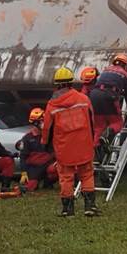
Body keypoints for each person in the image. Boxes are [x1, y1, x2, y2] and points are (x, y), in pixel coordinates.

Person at [42, 67, 99, 218]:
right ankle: (90, 207)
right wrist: (93, 140)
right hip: (84, 144)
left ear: (57, 85)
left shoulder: (52, 105)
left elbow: (47, 128)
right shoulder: (83, 99)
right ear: (71, 83)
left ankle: (68, 210)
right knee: (86, 174)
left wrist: (44, 144)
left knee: (66, 177)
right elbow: (92, 122)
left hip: (63, 147)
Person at [89, 53, 127, 144]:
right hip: (109, 96)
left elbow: (106, 84)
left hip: (93, 96)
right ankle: (105, 135)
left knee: (98, 126)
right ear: (125, 65)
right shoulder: (125, 75)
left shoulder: (105, 71)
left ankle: (95, 148)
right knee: (117, 123)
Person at [16, 107, 57, 192]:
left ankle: (48, 183)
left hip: (48, 164)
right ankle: (35, 182)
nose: (45, 123)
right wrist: (24, 172)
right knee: (31, 187)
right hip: (34, 168)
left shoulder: (50, 134)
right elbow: (23, 157)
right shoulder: (27, 138)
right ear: (35, 123)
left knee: (55, 169)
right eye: (42, 121)